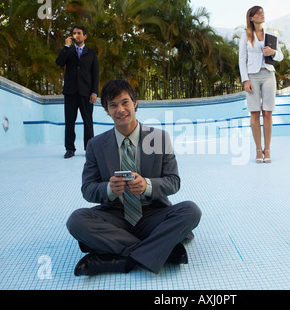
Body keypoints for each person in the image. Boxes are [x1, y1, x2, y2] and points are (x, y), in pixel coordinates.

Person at [66, 79, 202, 276]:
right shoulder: (96, 145)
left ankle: (115, 259)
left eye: (125, 102)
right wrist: (108, 189)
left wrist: (147, 185)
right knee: (76, 220)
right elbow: (87, 189)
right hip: (116, 215)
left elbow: (174, 181)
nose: (120, 109)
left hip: (152, 214)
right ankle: (163, 250)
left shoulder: (159, 138)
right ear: (107, 110)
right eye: (113, 105)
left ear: (135, 103)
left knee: (191, 210)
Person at [239, 6, 284, 164]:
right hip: (252, 76)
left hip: (268, 75)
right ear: (251, 17)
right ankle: (258, 149)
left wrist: (272, 52)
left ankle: (268, 149)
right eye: (258, 13)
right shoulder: (245, 37)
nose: (262, 14)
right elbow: (241, 59)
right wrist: (245, 80)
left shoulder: (271, 35)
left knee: (268, 113)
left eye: (263, 12)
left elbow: (280, 56)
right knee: (254, 114)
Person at [56, 25, 99, 159]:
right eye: (74, 33)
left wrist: (94, 92)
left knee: (88, 121)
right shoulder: (68, 51)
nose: (76, 36)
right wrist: (66, 47)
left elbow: (95, 74)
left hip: (86, 93)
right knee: (69, 121)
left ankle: (89, 148)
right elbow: (59, 63)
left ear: (85, 36)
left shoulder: (91, 53)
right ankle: (69, 148)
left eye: (79, 33)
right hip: (70, 92)